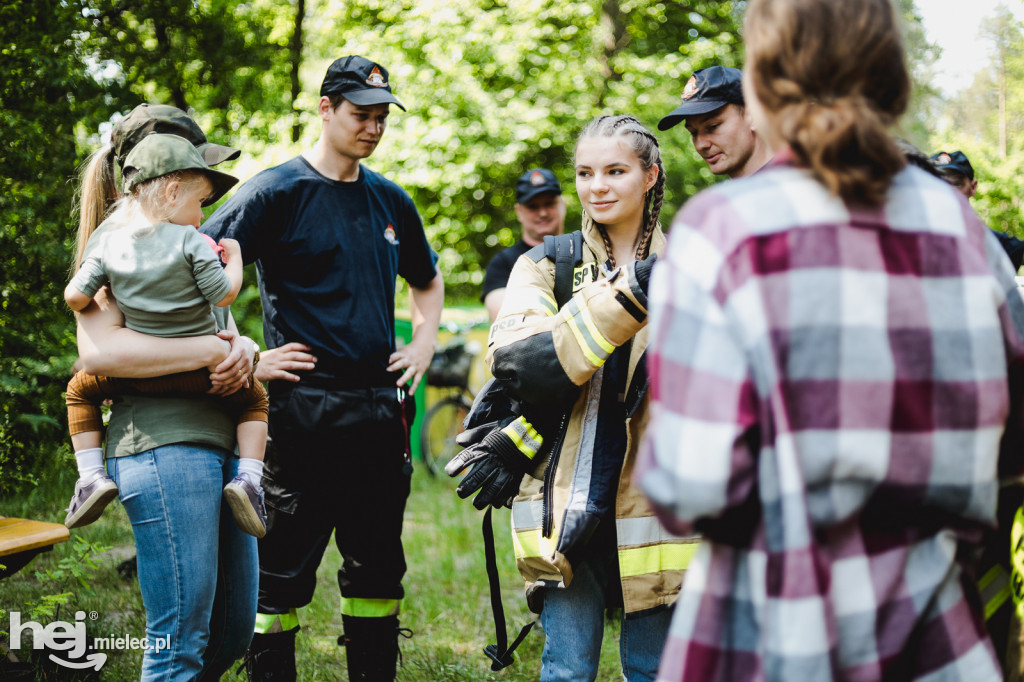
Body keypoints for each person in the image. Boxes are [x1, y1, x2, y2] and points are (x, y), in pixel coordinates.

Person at [638, 0, 1024, 680]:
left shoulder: (720, 232)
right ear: (891, 73)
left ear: (762, 82)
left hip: (765, 633)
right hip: (936, 634)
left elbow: (687, 488)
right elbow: (1012, 443)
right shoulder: (962, 230)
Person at [200, 55, 443, 681]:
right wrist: (246, 350)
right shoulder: (275, 191)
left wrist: (424, 345)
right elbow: (194, 267)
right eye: (361, 114)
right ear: (325, 109)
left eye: (382, 116)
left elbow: (428, 280)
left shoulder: (390, 199)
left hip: (378, 414)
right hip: (299, 414)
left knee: (377, 571)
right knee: (277, 575)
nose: (373, 127)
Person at [482, 115, 688, 682]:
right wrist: (629, 297)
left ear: (650, 177)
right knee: (567, 670)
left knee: (653, 670)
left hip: (658, 512)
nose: (596, 186)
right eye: (585, 172)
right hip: (563, 503)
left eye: (615, 171)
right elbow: (517, 365)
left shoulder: (696, 268)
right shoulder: (546, 265)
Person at [72, 107, 261, 680]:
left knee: (229, 632)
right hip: (161, 442)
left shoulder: (184, 236)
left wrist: (243, 348)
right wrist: (212, 353)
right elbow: (102, 355)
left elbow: (209, 321)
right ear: (160, 176)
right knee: (178, 641)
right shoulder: (116, 245)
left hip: (220, 434)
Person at [62, 133, 270, 539]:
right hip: (202, 383)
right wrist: (237, 257)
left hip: (138, 382)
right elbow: (224, 294)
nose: (201, 215)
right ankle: (251, 480)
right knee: (257, 399)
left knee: (78, 391)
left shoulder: (106, 241)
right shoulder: (193, 241)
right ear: (173, 192)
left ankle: (89, 476)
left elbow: (74, 296)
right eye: (199, 203)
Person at [480, 168, 566, 321]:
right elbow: (503, 321)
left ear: (562, 205)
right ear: (519, 211)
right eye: (533, 207)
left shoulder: (586, 250)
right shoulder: (503, 264)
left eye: (549, 204)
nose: (543, 213)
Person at [657, 65, 771, 179]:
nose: (701, 145)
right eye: (694, 132)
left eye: (713, 127)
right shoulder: (735, 195)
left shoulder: (784, 188)